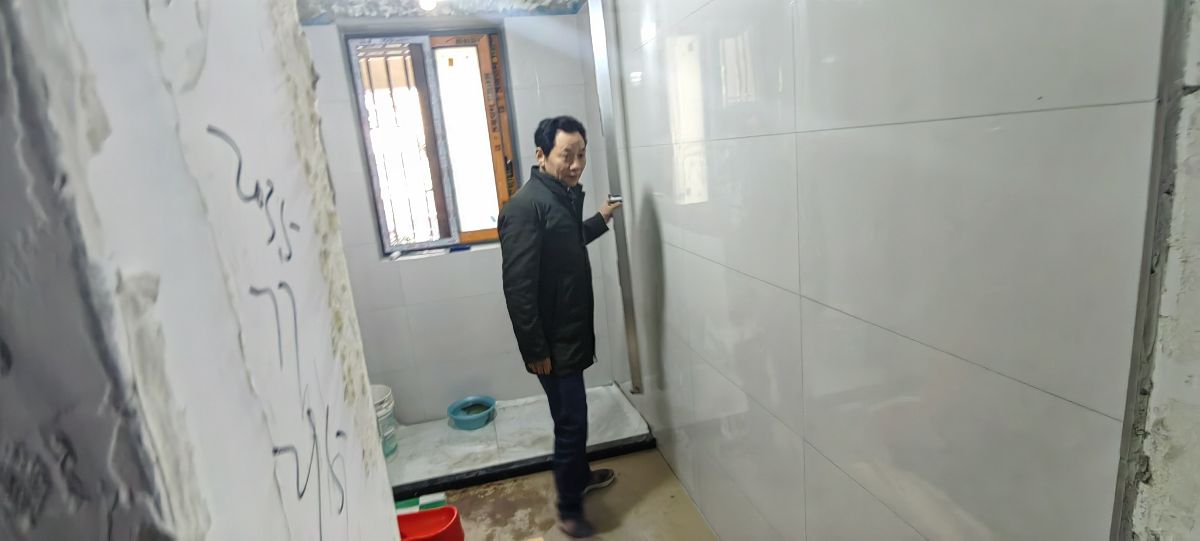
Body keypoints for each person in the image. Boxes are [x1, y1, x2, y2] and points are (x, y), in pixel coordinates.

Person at [498, 116, 622, 538]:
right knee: (571, 422)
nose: (576, 164)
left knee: (570, 415)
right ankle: (569, 509)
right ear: (541, 155)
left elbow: (566, 243)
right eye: (566, 155)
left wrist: (601, 217)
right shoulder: (524, 208)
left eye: (581, 155)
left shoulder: (560, 197)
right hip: (553, 342)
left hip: (569, 333)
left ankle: (579, 476)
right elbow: (518, 288)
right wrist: (535, 350)